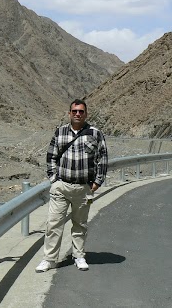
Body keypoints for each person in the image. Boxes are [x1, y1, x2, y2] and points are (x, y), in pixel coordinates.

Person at [35, 98, 108, 272]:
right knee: (53, 224)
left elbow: (102, 158)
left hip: (84, 188)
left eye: (81, 111)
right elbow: (51, 157)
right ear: (69, 113)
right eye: (74, 111)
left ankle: (79, 256)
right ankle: (49, 259)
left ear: (86, 114)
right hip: (61, 187)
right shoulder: (60, 133)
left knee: (80, 224)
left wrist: (97, 183)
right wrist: (54, 179)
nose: (77, 114)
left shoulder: (95, 133)